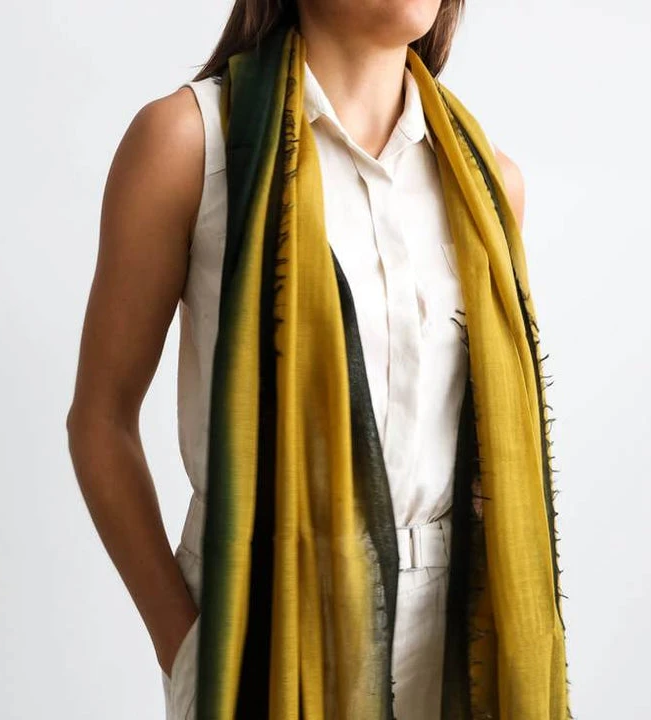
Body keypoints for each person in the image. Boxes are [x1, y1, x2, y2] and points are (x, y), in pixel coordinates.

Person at [66, 1, 536, 718]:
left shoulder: (486, 182)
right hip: (264, 622)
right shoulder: (193, 143)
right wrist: (185, 648)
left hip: (454, 641)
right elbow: (101, 419)